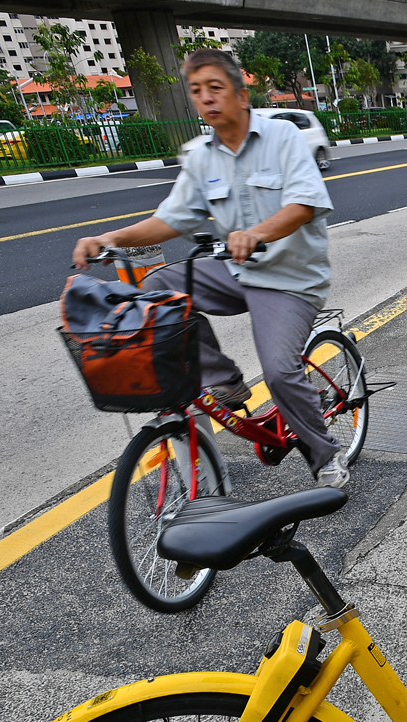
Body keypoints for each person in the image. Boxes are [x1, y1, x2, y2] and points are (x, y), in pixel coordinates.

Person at [72, 49, 351, 487]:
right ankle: (225, 381)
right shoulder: (200, 155)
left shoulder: (283, 138)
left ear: (241, 94)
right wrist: (111, 239)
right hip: (233, 272)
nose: (206, 99)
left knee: (279, 371)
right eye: (197, 91)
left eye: (215, 88)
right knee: (157, 289)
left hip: (289, 280)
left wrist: (257, 233)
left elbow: (304, 205)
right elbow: (170, 219)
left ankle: (325, 456)